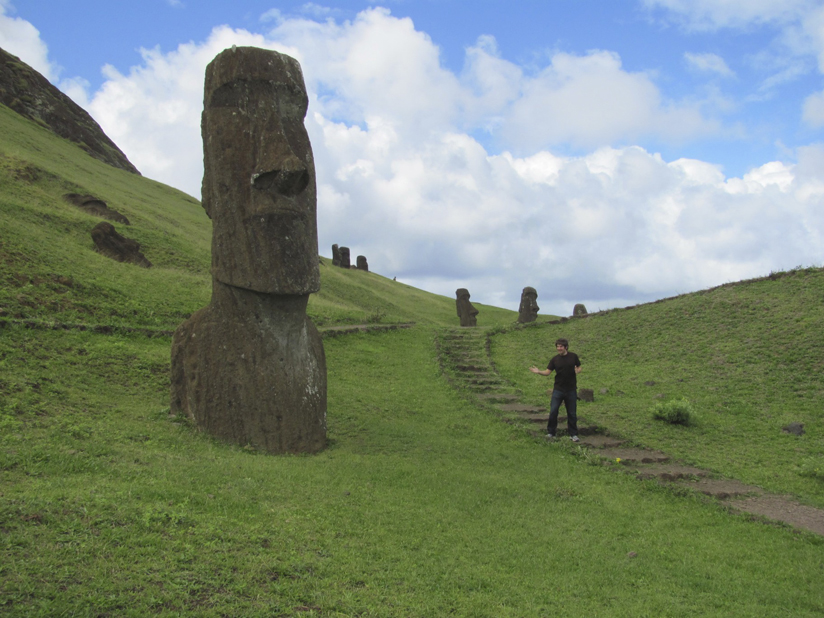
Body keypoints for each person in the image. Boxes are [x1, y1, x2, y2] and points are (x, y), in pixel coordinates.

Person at [529, 338, 582, 441]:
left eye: (561, 346)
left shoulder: (573, 356)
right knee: (553, 411)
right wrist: (539, 371)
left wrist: (578, 371)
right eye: (557, 346)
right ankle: (551, 432)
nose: (559, 348)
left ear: (566, 347)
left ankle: (573, 434)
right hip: (558, 389)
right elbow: (548, 372)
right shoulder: (555, 359)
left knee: (572, 413)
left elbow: (579, 367)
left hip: (571, 389)